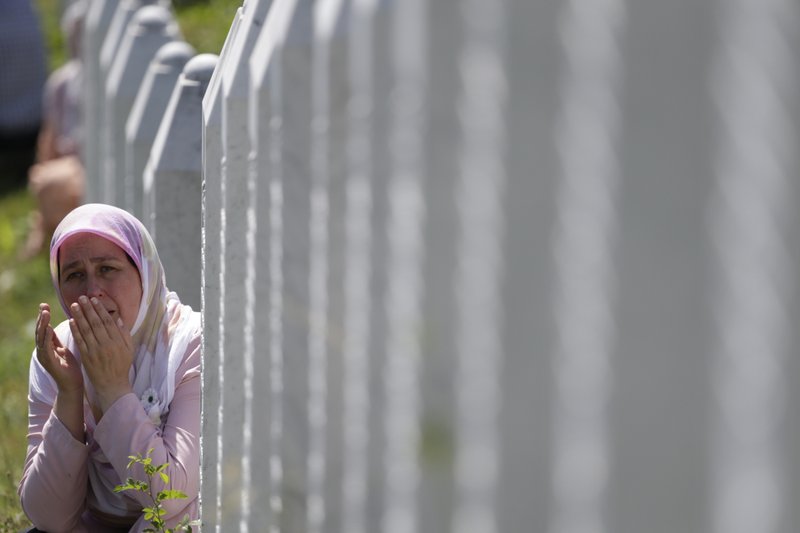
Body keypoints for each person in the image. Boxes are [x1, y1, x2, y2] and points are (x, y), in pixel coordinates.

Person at [18, 204, 201, 532]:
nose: (92, 291)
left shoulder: (189, 342)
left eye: (107, 269)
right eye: (74, 275)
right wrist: (70, 393)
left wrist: (113, 389)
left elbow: (171, 496)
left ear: (143, 273)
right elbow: (48, 518)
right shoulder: (59, 353)